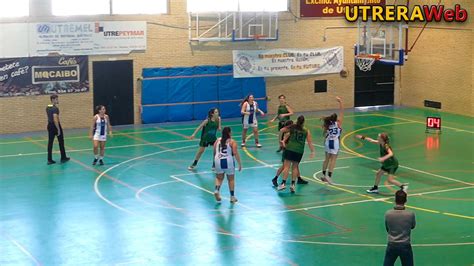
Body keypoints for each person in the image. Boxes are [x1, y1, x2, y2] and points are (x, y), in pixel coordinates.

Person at [277, 115, 315, 193]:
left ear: (297, 120)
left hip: (290, 149)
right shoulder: (306, 130)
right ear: (304, 122)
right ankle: (293, 185)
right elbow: (310, 142)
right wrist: (312, 151)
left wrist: (280, 142)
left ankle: (283, 183)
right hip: (299, 151)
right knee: (295, 167)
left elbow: (281, 130)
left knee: (287, 166)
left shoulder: (292, 127)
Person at [271, 120, 309, 187]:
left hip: (290, 149)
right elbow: (281, 130)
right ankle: (275, 178)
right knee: (285, 166)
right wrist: (281, 142)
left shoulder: (292, 130)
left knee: (295, 165)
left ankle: (299, 178)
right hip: (288, 149)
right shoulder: (289, 131)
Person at [384, 189, 416, 266]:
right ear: (405, 200)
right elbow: (413, 226)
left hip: (392, 244)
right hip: (405, 244)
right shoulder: (410, 214)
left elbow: (387, 228)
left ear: (395, 200)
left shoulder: (388, 214)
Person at [213, 127, 242, 203]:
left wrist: (214, 163)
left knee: (219, 178)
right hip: (228, 161)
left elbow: (214, 151)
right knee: (231, 179)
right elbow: (235, 153)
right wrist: (239, 163)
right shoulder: (232, 142)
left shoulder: (217, 140)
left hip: (218, 160)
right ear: (229, 133)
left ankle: (216, 190)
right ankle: (232, 197)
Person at [319, 96, 344, 184]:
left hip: (327, 141)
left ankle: (323, 174)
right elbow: (342, 112)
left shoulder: (327, 124)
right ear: (336, 118)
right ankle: (329, 176)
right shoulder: (339, 123)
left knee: (326, 159)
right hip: (334, 142)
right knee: (333, 160)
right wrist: (340, 102)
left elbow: (325, 134)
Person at [46, 94, 69, 165]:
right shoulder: (55, 109)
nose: (57, 100)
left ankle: (49, 159)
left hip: (49, 125)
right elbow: (55, 119)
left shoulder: (47, 107)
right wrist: (58, 129)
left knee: (50, 143)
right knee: (61, 141)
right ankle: (63, 157)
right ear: (53, 100)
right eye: (56, 99)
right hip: (55, 126)